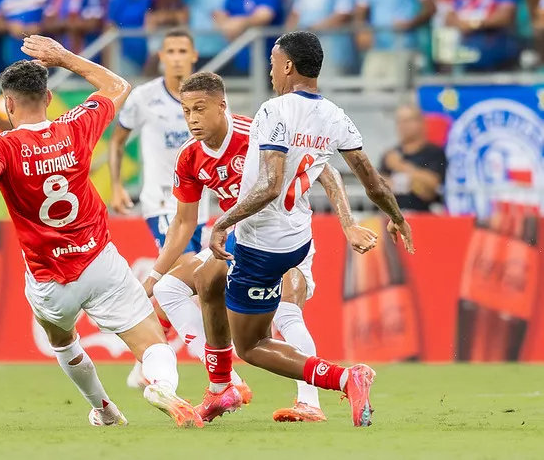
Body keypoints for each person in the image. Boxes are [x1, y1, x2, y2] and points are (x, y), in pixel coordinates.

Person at [0, 35, 204, 429]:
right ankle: (162, 385)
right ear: (47, 98)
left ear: (8, 104)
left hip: (49, 279)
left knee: (62, 340)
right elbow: (118, 86)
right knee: (152, 344)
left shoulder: (2, 147)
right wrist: (63, 57)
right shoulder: (77, 125)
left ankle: (105, 409)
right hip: (99, 262)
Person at [206, 31, 415, 427]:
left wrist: (223, 221)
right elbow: (370, 181)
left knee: (251, 345)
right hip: (297, 239)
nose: (269, 69)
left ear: (287, 65)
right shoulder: (334, 115)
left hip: (261, 244)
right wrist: (397, 218)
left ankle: (343, 379)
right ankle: (218, 386)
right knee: (208, 278)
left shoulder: (274, 111)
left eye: (272, 60)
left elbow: (269, 185)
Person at [146, 71, 378, 423]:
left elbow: (325, 172)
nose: (192, 119)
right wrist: (152, 274)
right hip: (237, 239)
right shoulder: (189, 157)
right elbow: (183, 222)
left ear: (222, 106)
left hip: (283, 236)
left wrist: (348, 225)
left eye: (200, 109)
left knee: (284, 311)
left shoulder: (254, 133)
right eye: (186, 111)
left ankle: (308, 401)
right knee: (171, 288)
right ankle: (225, 384)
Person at [108, 28, 209, 389]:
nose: (178, 56)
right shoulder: (144, 97)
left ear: (194, 55)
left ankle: (149, 353)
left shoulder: (208, 97)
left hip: (206, 202)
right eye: (171, 50)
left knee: (184, 283)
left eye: (184, 49)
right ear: (162, 57)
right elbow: (117, 141)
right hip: (164, 200)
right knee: (184, 271)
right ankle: (216, 371)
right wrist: (118, 185)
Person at [380, 103, 447, 212]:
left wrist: (400, 166)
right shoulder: (390, 155)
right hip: (394, 216)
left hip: (425, 217)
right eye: (399, 121)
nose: (403, 126)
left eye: (407, 121)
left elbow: (432, 185)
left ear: (421, 123)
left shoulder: (433, 153)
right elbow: (381, 186)